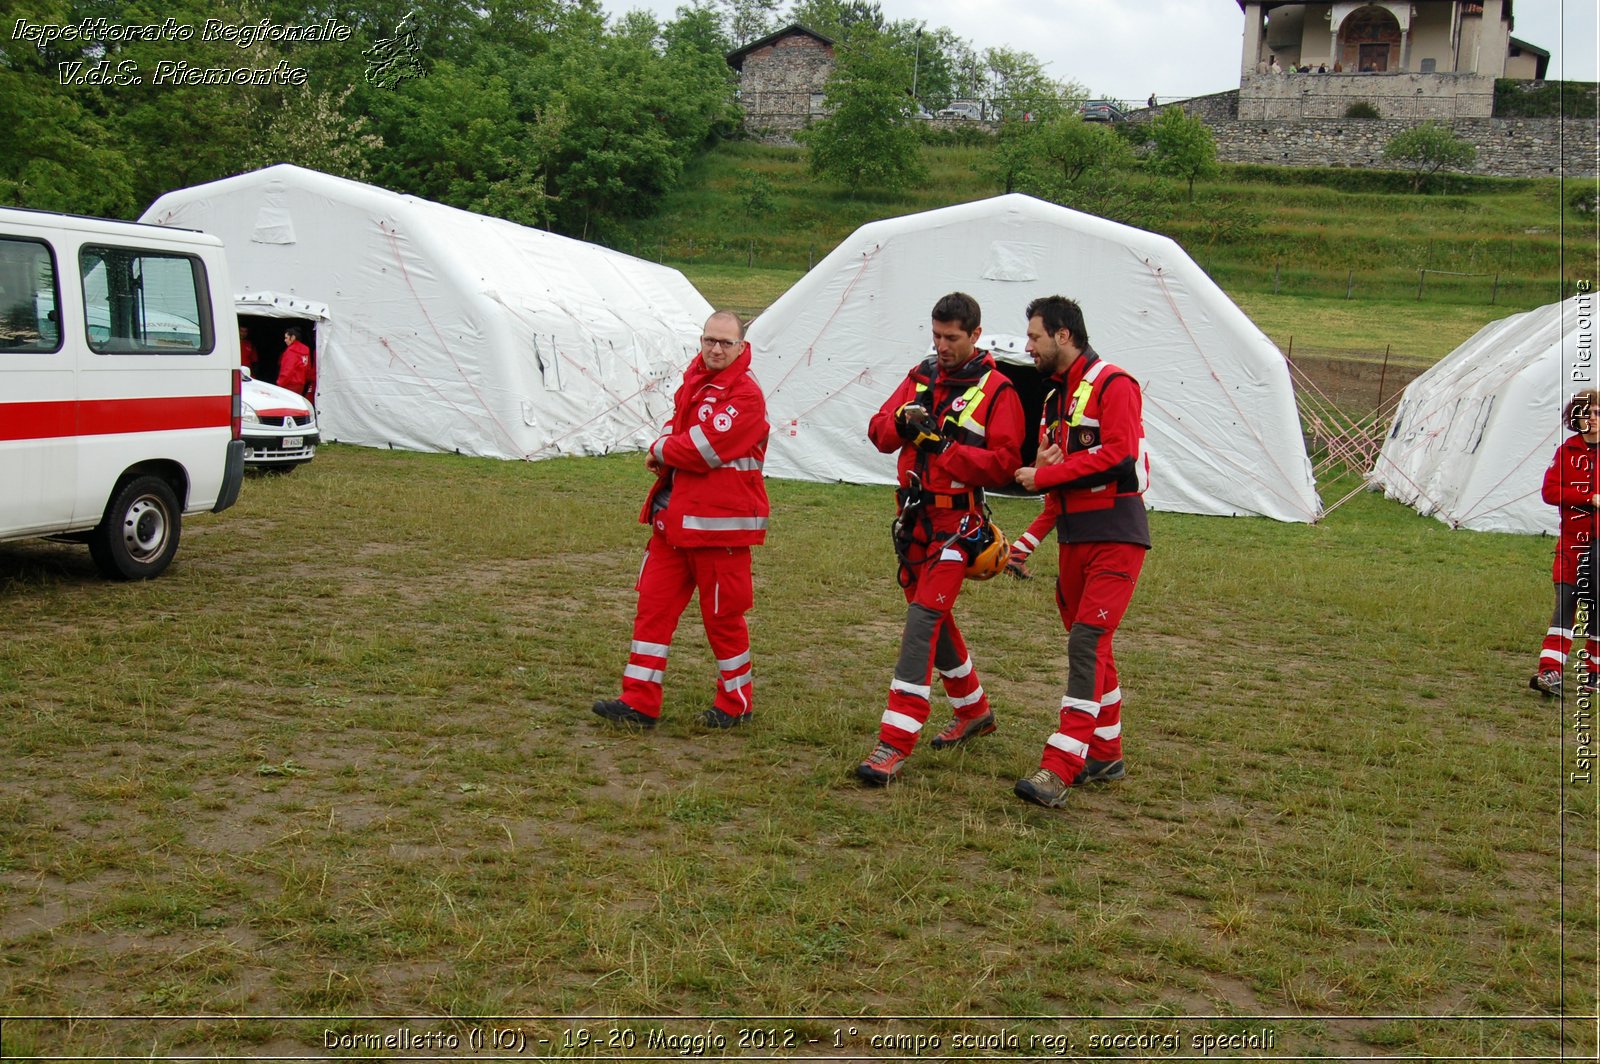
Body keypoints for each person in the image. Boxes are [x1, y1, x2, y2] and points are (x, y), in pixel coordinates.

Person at [855, 292, 1024, 785]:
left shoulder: (1000, 391)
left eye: (952, 338)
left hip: (959, 527)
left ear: (976, 335)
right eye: (936, 336)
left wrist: (942, 446)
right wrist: (902, 423)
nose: (943, 345)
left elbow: (1004, 465)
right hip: (913, 522)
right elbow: (878, 433)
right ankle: (974, 711)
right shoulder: (920, 375)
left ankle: (894, 742)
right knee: (936, 616)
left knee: (922, 623)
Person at [593, 311, 770, 729]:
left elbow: (700, 449)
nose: (716, 348)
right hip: (672, 524)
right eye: (710, 340)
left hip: (717, 532)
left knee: (723, 621)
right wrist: (669, 446)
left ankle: (736, 702)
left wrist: (659, 448)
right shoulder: (695, 380)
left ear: (742, 348)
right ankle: (639, 701)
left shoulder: (745, 395)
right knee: (651, 613)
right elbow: (681, 431)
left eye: (726, 342)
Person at [1012, 296, 1150, 808]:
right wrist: (1026, 541)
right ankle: (1106, 752)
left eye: (1034, 337)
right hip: (1074, 538)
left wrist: (1045, 471)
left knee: (1087, 643)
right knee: (1095, 646)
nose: (1028, 347)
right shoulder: (1053, 402)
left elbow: (1120, 457)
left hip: (1116, 535)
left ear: (1063, 335)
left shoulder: (1115, 384)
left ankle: (1060, 765)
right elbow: (1060, 487)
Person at [1531, 389, 1600, 698]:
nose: (1593, 420)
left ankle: (1595, 674)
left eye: (1598, 413)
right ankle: (1551, 672)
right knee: (1566, 606)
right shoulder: (1567, 452)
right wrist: (1588, 499)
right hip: (1572, 544)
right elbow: (1549, 491)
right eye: (1586, 414)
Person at [278, 326, 312, 399]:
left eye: (286, 338)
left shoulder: (291, 351)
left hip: (289, 385)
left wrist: (279, 384)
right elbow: (308, 368)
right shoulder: (306, 349)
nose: (285, 340)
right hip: (301, 385)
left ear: (293, 337)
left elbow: (287, 370)